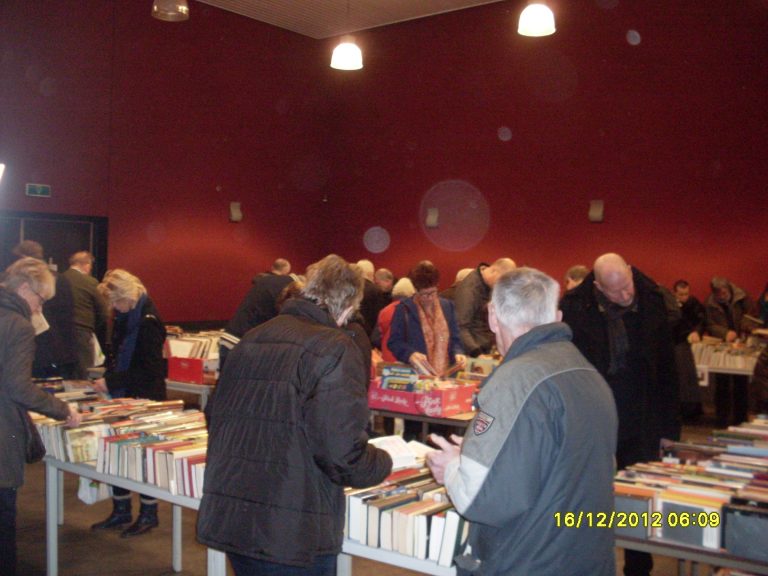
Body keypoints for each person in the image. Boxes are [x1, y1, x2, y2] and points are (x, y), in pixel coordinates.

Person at [197, 254, 393, 575]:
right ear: (346, 306)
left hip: (235, 516)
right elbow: (341, 454)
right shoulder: (334, 347)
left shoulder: (253, 338)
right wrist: (383, 462)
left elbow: (214, 416)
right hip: (291, 528)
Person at [426, 267, 618, 576]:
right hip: (588, 555)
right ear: (556, 317)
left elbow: (480, 499)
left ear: (492, 316)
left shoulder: (513, 381)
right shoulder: (590, 375)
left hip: (528, 560)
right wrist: (482, 450)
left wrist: (451, 466)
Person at [560, 253, 678, 576]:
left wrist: (670, 428)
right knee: (591, 502)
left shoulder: (653, 299)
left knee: (639, 502)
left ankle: (639, 569)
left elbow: (667, 368)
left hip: (642, 420)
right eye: (616, 293)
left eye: (627, 287)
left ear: (629, 270)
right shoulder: (575, 308)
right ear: (598, 287)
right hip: (594, 422)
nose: (626, 296)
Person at [0, 257, 82, 576]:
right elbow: (18, 386)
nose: (39, 309)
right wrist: (62, 409)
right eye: (39, 300)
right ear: (23, 288)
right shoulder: (18, 325)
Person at [90, 269, 167, 538]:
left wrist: (111, 381)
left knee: (143, 458)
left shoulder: (148, 322)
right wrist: (110, 378)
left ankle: (149, 514)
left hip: (145, 398)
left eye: (114, 302)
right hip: (123, 394)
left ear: (126, 296)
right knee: (116, 453)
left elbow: (150, 370)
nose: (112, 309)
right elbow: (119, 353)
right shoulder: (127, 316)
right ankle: (120, 509)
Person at [12, 240, 79, 379]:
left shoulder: (25, 283)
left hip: (41, 351)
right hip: (60, 351)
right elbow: (68, 318)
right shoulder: (60, 279)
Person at [388, 261, 466, 376]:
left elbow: (455, 339)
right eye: (424, 294)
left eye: (433, 292)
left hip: (447, 375)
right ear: (416, 291)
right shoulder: (404, 309)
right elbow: (394, 342)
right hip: (417, 376)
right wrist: (410, 354)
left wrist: (458, 353)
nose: (430, 298)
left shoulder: (448, 306)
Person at [704, 276, 757, 426]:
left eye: (724, 292)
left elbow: (752, 315)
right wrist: (724, 333)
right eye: (718, 293)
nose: (722, 295)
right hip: (723, 346)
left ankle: (740, 419)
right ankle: (721, 419)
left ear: (729, 289)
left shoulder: (743, 297)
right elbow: (709, 324)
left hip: (742, 343)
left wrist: (745, 329)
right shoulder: (710, 303)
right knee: (722, 385)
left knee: (741, 384)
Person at [454, 258, 516, 357]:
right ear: (494, 271)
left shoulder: (487, 285)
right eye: (500, 281)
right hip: (473, 352)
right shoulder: (469, 290)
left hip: (485, 348)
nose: (500, 285)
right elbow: (460, 326)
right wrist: (476, 353)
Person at [61, 251, 109, 378]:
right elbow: (103, 311)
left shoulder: (59, 279)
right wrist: (93, 327)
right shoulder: (90, 282)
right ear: (86, 264)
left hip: (61, 334)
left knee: (67, 373)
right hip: (82, 331)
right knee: (84, 372)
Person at [672, 280, 706, 421]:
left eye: (686, 294)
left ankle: (693, 410)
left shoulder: (693, 303)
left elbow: (701, 320)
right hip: (679, 344)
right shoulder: (670, 306)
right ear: (675, 293)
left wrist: (697, 332)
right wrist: (689, 333)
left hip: (690, 343)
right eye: (681, 294)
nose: (684, 297)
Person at [374, 277, 415, 362]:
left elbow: (376, 338)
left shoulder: (385, 311)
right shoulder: (413, 311)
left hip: (387, 359)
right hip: (407, 358)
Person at [356, 259, 387, 337]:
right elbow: (379, 316)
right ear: (371, 273)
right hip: (370, 333)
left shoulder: (351, 288)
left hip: (353, 332)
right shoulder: (376, 290)